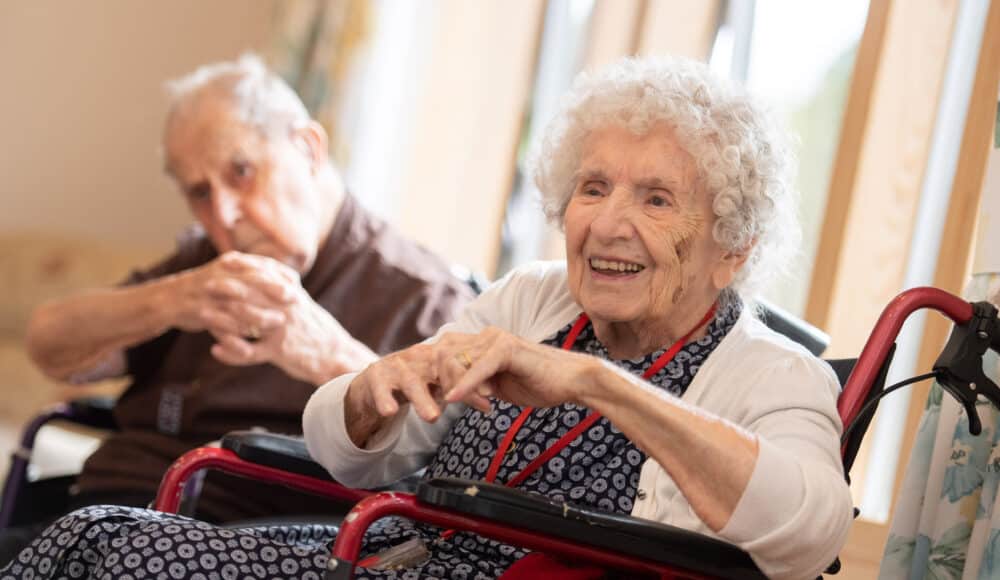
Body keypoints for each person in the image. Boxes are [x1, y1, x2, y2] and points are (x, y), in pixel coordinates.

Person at [1, 56, 852, 580]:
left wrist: (599, 383)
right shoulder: (532, 299)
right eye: (593, 187)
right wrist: (373, 390)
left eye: (656, 197)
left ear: (731, 243)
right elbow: (361, 454)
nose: (607, 222)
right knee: (97, 536)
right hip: (393, 556)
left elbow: (808, 533)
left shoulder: (775, 374)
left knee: (117, 552)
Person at [0, 55, 475, 561]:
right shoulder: (207, 259)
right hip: (98, 517)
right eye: (201, 193)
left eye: (242, 171)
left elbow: (442, 479)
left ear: (309, 149)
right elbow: (50, 345)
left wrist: (331, 356)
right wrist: (173, 298)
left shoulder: (423, 295)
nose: (223, 214)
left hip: (239, 545)